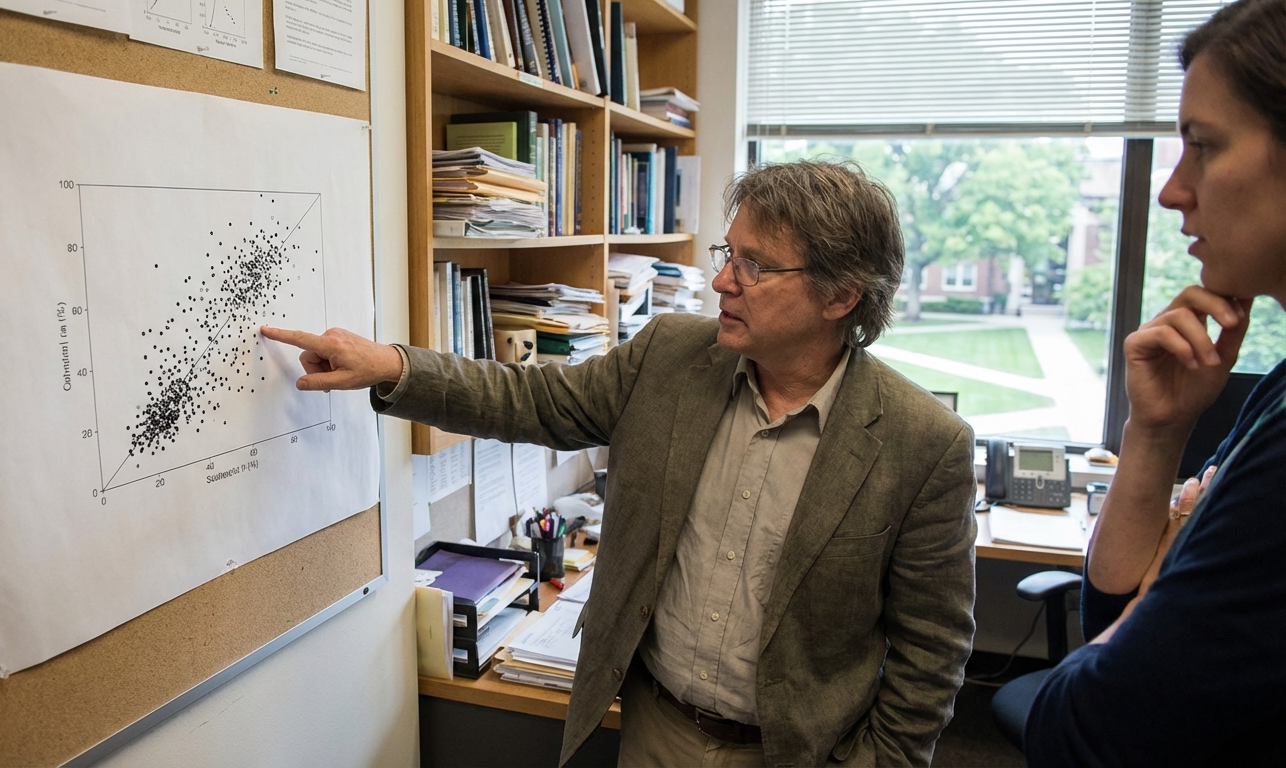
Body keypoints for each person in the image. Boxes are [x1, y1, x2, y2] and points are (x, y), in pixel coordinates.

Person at [262, 160, 978, 767]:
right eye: (727, 255)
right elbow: (528, 400)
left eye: (753, 266)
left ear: (841, 296)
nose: (723, 281)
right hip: (654, 730)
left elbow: (931, 657)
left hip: (802, 752)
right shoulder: (669, 356)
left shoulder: (922, 443)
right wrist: (390, 364)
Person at [1024, 1, 1286, 764]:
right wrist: (1156, 431)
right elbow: (1109, 602)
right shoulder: (1275, 392)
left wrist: (1155, 593)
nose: (1172, 190)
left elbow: (1076, 730)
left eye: (1201, 146)